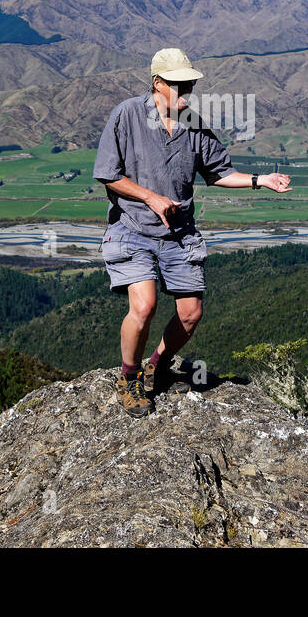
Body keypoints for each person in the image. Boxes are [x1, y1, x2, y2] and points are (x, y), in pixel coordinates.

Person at [92, 47, 291, 417]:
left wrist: (260, 180)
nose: (186, 91)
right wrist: (150, 197)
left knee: (190, 314)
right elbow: (107, 174)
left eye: (189, 84)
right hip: (133, 228)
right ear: (157, 83)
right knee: (145, 305)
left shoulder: (194, 125)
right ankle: (129, 377)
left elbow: (217, 172)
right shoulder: (128, 115)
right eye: (177, 84)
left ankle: (157, 366)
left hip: (179, 233)